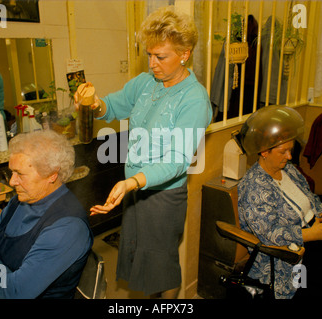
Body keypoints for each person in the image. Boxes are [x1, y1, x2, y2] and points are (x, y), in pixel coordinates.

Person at [83, 6, 212, 298]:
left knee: (162, 266)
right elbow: (113, 106)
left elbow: (178, 160)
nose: (152, 63)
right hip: (138, 188)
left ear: (184, 53)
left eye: (160, 57)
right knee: (140, 256)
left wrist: (132, 181)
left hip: (164, 197)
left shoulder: (194, 99)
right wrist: (95, 103)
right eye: (149, 55)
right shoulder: (145, 82)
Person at [237, 105, 322, 299]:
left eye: (290, 150)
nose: (289, 157)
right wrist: (312, 234)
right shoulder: (254, 186)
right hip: (287, 253)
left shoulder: (288, 169)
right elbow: (270, 234)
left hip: (313, 231)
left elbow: (311, 197)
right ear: (264, 151)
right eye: (283, 152)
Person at [0, 130, 93, 299]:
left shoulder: (67, 227)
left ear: (52, 175)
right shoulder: (18, 202)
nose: (12, 182)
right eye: (12, 172)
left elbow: (13, 294)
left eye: (20, 174)